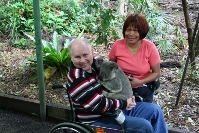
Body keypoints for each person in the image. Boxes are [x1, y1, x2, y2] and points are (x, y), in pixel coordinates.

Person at [66, 38, 168, 133]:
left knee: (155, 110)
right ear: (71, 57)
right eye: (77, 57)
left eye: (85, 55)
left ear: (92, 52)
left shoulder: (96, 63)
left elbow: (116, 74)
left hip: (115, 109)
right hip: (98, 119)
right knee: (144, 126)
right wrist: (124, 103)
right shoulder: (77, 78)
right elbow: (99, 105)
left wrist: (128, 96)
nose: (82, 60)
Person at [109, 13, 160, 103]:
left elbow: (156, 73)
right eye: (128, 30)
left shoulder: (150, 47)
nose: (131, 34)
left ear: (142, 32)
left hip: (143, 88)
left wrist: (140, 82)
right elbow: (111, 66)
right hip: (121, 88)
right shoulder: (117, 45)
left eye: (136, 31)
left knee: (144, 113)